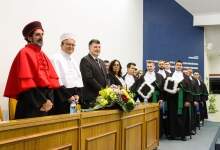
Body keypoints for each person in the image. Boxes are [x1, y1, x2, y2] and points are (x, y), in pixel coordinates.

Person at [4, 21, 60, 119]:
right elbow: (26, 85)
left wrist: (50, 101)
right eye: (37, 34)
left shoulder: (43, 55)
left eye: (42, 34)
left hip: (44, 107)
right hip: (30, 107)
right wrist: (42, 102)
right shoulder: (24, 53)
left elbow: (50, 83)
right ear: (29, 38)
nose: (41, 37)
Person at [51, 33, 83, 114]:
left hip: (73, 98)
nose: (71, 47)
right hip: (61, 97)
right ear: (61, 45)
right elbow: (56, 81)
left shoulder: (73, 60)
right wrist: (68, 96)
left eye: (73, 45)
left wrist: (77, 94)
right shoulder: (55, 58)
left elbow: (78, 79)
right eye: (68, 44)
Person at [164, 60, 192, 141]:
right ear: (174, 66)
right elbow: (166, 89)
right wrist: (173, 90)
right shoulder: (170, 76)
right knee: (172, 117)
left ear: (182, 66)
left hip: (183, 100)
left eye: (180, 65)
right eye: (177, 65)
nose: (179, 66)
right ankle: (172, 134)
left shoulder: (186, 77)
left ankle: (183, 135)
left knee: (182, 117)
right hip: (172, 100)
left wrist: (188, 101)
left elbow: (189, 90)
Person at [80, 39, 108, 108]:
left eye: (99, 47)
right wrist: (102, 90)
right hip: (91, 97)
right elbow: (89, 78)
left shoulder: (101, 62)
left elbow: (106, 78)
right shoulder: (85, 60)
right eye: (95, 47)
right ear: (89, 48)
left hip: (102, 97)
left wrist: (107, 89)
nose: (97, 49)